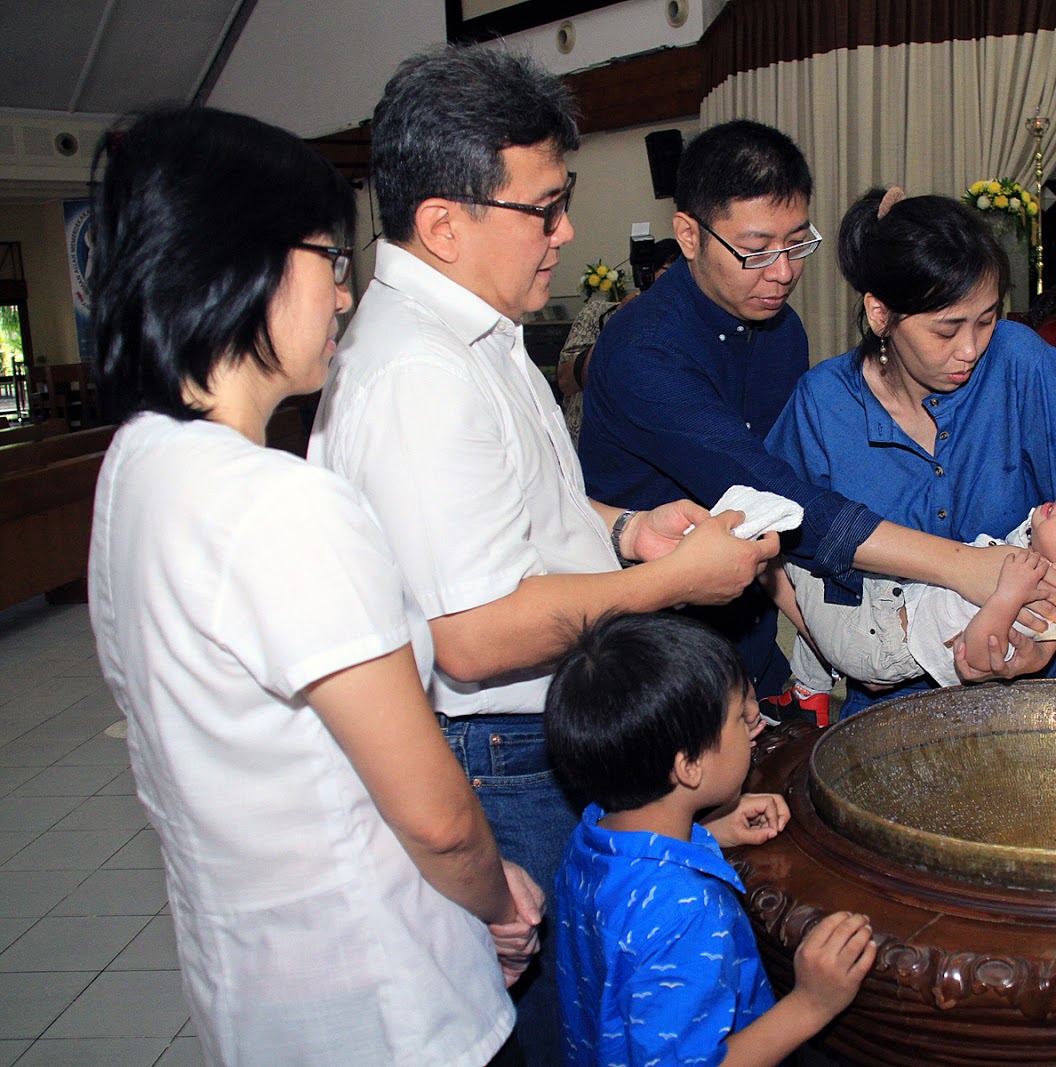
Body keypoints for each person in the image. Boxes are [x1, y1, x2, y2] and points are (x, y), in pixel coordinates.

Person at [307, 47, 775, 1063]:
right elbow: (470, 635)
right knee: (564, 1023)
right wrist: (672, 582)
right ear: (444, 223)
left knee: (602, 1000)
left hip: (532, 735)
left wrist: (626, 531)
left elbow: (522, 512)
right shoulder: (419, 374)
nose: (565, 231)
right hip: (499, 752)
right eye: (545, 208)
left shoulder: (472, 326)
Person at [86, 107, 540, 1066]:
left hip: (255, 983)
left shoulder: (137, 466)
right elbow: (436, 818)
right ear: (241, 259)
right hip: (386, 997)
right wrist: (499, 899)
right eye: (330, 260)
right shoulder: (281, 505)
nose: (342, 296)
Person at [580, 134, 1056, 714]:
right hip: (654, 645)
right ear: (689, 235)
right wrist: (963, 569)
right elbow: (773, 492)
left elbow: (776, 522)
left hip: (747, 627)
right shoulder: (645, 351)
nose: (783, 272)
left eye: (796, 243)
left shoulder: (780, 330)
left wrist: (825, 640)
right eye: (756, 250)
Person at [766, 188, 1056, 717]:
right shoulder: (824, 403)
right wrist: (840, 651)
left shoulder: (1021, 363)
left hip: (1025, 697)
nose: (970, 349)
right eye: (946, 330)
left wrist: (1046, 640)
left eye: (986, 319)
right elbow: (768, 540)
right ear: (880, 314)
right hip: (886, 708)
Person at [544, 612, 877, 1066]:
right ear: (689, 766)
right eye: (740, 718)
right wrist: (811, 1004)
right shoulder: (688, 912)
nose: (756, 721)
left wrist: (707, 835)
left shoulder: (592, 835)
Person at [774, 492, 1056, 694]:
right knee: (831, 567)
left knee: (797, 550)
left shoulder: (1043, 606)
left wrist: (1006, 597)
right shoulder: (1036, 558)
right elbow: (1037, 529)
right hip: (890, 599)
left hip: (877, 641)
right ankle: (811, 692)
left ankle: (815, 680)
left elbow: (977, 661)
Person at [556, 241, 680, 444]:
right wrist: (619, 325)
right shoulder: (597, 314)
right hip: (586, 442)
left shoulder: (686, 325)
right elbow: (566, 381)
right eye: (670, 271)